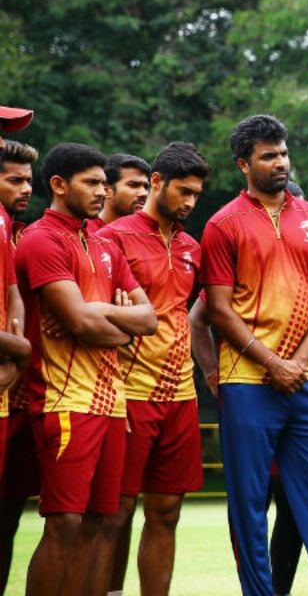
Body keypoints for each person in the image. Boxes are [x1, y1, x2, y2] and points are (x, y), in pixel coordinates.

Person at [200, 114, 308, 596]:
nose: (280, 162)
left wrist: (295, 363)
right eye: (268, 155)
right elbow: (217, 308)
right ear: (243, 164)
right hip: (247, 380)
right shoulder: (222, 224)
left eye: (283, 153)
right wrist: (272, 363)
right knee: (250, 504)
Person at [15, 142, 157, 595]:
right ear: (58, 185)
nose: (102, 191)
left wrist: (99, 313)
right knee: (66, 522)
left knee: (102, 520)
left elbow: (148, 319)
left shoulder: (104, 242)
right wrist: (114, 322)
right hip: (64, 399)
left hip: (112, 402)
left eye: (103, 182)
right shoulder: (41, 239)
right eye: (91, 182)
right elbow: (77, 323)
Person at [97, 142, 216, 596]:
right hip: (127, 392)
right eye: (183, 191)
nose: (189, 202)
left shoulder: (192, 246)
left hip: (181, 395)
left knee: (167, 511)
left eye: (197, 195)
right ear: (157, 183)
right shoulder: (114, 237)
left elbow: (204, 311)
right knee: (116, 511)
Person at [0, 133, 35, 592]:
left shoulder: (6, 224)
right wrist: (22, 351)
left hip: (9, 388)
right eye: (14, 180)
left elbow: (12, 295)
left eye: (29, 179)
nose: (25, 187)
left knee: (8, 515)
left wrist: (15, 354)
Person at [98, 154, 150, 227]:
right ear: (106, 190)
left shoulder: (151, 234)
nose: (144, 194)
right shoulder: (83, 233)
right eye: (133, 185)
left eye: (146, 187)